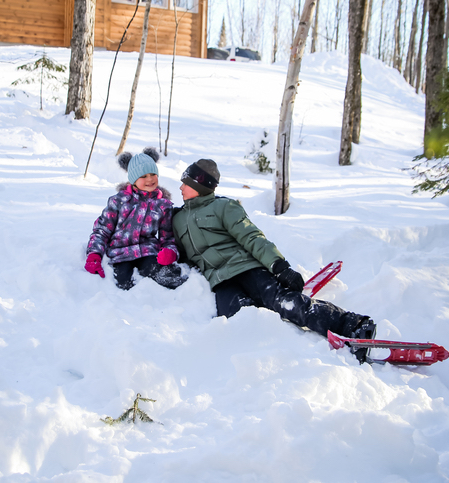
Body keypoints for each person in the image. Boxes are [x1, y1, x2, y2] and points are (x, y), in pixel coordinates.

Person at [172, 158, 376, 356]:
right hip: (221, 281)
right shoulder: (178, 219)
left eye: (186, 183)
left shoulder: (224, 207)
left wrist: (280, 266)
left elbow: (252, 237)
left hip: (245, 268)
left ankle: (353, 324)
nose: (181, 188)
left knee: (283, 302)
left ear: (199, 185)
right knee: (237, 319)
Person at [84, 147, 187, 290]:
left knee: (167, 277)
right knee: (123, 284)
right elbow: (102, 230)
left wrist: (170, 252)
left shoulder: (163, 205)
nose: (150, 179)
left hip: (147, 251)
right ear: (133, 180)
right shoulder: (119, 201)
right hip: (120, 253)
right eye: (143, 176)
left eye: (153, 174)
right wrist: (94, 254)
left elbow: (167, 237)